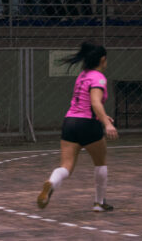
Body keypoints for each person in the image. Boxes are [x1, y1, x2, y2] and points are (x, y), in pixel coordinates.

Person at [37, 41, 118, 212]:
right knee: (100, 163)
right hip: (88, 124)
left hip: (70, 122)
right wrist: (106, 123)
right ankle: (99, 203)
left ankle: (52, 181)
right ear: (103, 59)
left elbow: (84, 102)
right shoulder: (99, 78)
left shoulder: (82, 76)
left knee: (66, 166)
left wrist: (102, 115)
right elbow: (95, 102)